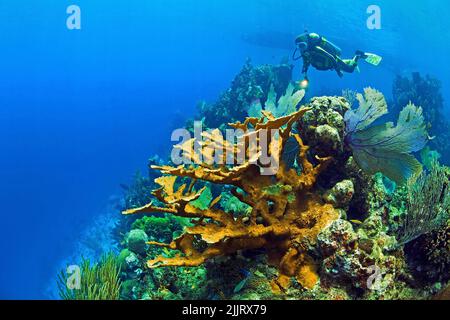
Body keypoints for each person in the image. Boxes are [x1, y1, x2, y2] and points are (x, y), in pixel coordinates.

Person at [293, 32, 382, 80]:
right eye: (299, 46)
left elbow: (331, 57)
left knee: (350, 69)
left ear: (307, 43)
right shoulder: (304, 52)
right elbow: (305, 63)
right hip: (330, 65)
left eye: (302, 45)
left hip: (333, 60)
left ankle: (358, 55)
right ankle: (352, 59)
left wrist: (338, 71)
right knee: (346, 65)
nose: (301, 48)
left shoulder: (316, 48)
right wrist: (305, 75)